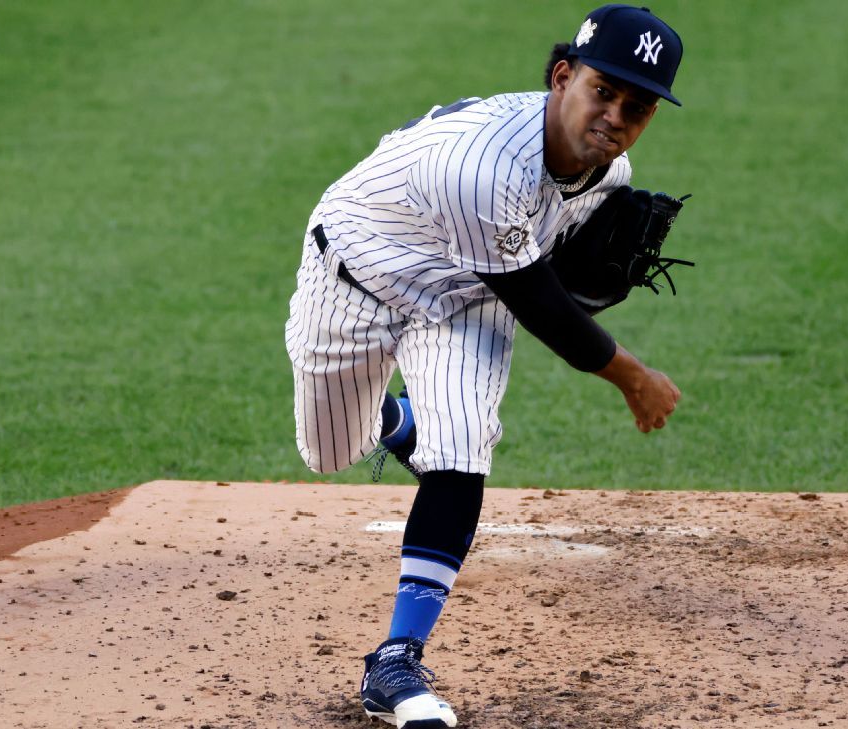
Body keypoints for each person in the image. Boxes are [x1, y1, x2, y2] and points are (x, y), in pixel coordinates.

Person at [284, 5, 686, 727]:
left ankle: (395, 659)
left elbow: (547, 275)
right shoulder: (483, 164)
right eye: (603, 92)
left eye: (638, 106)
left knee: (462, 450)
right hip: (359, 278)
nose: (616, 117)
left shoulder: (610, 171)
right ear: (563, 77)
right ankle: (393, 417)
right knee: (329, 452)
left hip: (468, 300)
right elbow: (544, 307)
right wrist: (636, 377)